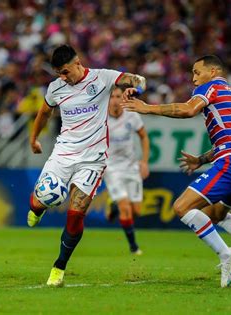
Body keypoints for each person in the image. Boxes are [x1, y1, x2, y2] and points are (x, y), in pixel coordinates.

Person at [121, 55, 231, 288]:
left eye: (197, 72)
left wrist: (147, 108)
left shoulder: (211, 87)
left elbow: (187, 110)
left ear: (213, 71)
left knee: (181, 207)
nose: (194, 79)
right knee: (216, 215)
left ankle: (226, 254)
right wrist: (202, 159)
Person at [27, 44, 147, 287]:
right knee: (38, 201)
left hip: (93, 160)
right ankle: (38, 210)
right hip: (62, 154)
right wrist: (33, 138)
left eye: (64, 71)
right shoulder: (56, 88)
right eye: (58, 73)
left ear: (77, 63)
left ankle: (58, 267)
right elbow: (44, 113)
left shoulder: (103, 78)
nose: (62, 76)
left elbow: (136, 79)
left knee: (76, 212)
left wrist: (136, 87)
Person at [104, 86, 150, 255]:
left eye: (118, 96)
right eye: (112, 97)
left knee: (136, 210)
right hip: (112, 169)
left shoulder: (132, 115)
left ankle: (113, 205)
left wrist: (144, 162)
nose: (115, 100)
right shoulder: (101, 118)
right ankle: (133, 247)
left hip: (132, 168)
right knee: (126, 209)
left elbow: (144, 136)